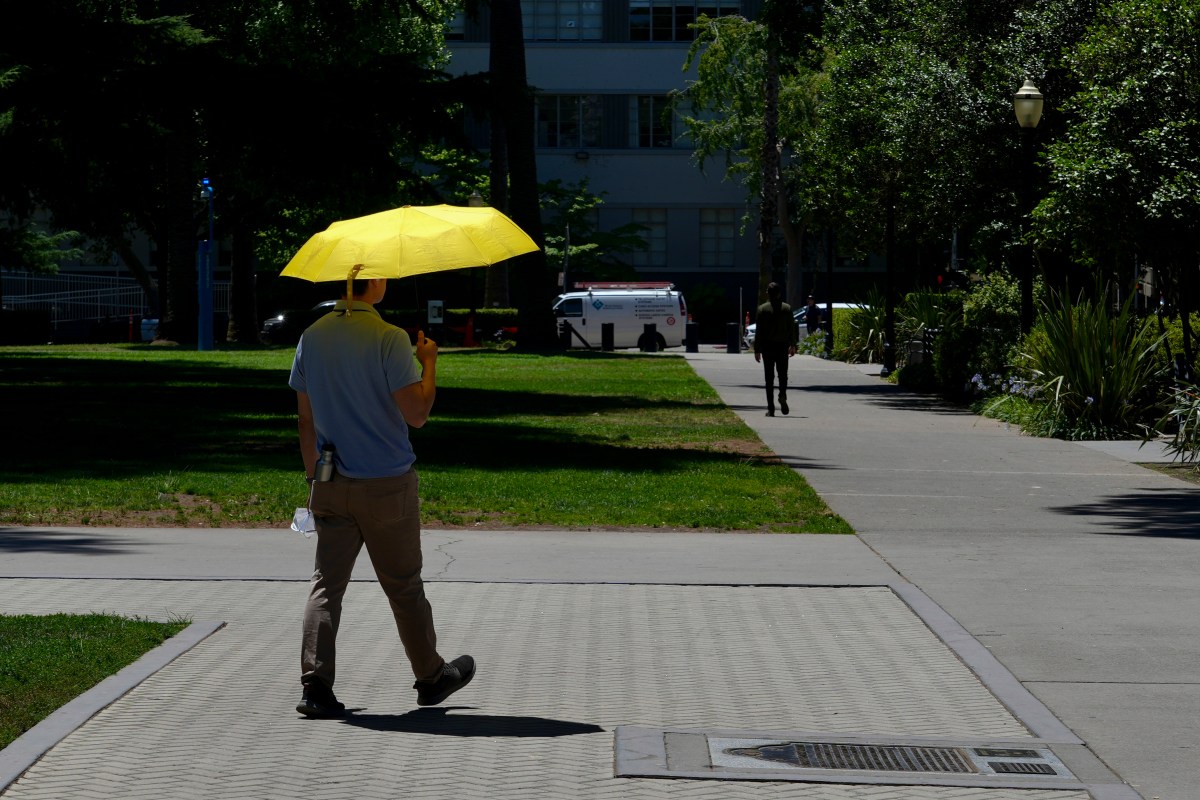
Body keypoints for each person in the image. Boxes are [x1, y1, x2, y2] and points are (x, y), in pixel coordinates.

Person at [289, 276, 475, 718]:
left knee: (325, 586)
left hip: (330, 479)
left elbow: (305, 419)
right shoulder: (388, 338)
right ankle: (431, 678)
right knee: (403, 585)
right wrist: (429, 362)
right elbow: (418, 413)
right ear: (372, 280)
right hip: (387, 482)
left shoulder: (311, 337)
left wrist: (315, 479)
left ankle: (315, 687)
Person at [753, 282, 798, 417]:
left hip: (768, 347)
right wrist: (793, 344)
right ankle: (782, 394)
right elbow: (791, 328)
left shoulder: (762, 309)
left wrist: (757, 349)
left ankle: (771, 408)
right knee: (783, 375)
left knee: (769, 378)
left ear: (768, 293)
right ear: (779, 294)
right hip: (782, 346)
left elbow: (759, 332)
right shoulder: (787, 309)